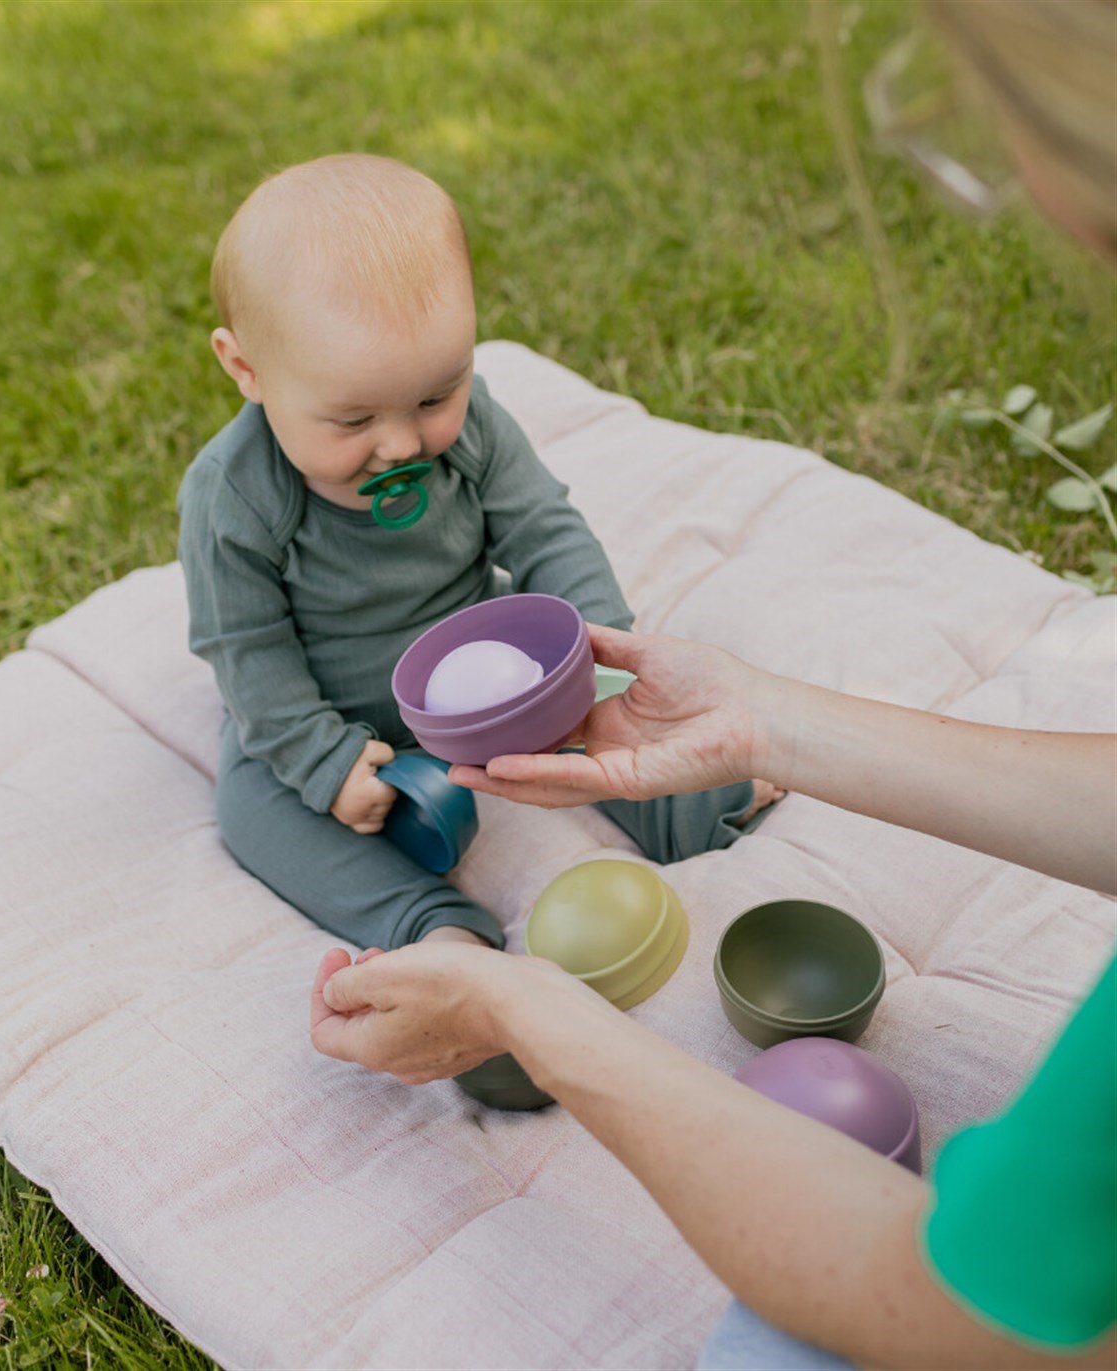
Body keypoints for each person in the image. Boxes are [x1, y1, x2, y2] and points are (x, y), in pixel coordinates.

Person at [308, 2, 1117, 1367]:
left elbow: (964, 1318)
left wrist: (533, 1012)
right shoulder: (243, 497)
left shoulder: (482, 432)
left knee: (774, 1341)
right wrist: (771, 722)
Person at [177, 153, 779, 955]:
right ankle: (427, 926)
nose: (400, 442)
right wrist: (321, 758)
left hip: (486, 681)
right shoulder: (233, 495)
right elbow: (245, 649)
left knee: (602, 723)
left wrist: (595, 655)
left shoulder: (477, 427)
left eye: (435, 396)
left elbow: (544, 531)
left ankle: (699, 809)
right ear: (246, 368)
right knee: (254, 808)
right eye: (353, 420)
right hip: (330, 708)